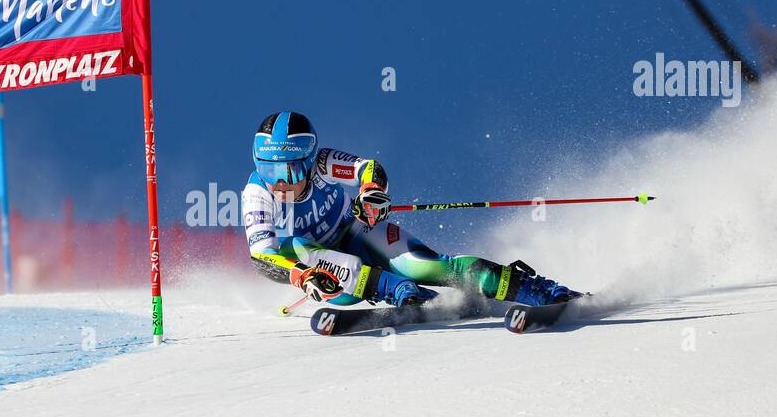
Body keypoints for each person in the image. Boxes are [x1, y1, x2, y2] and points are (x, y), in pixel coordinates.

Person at [243, 111, 582, 309]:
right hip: (330, 276)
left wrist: (371, 194)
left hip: (359, 230)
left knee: (424, 266)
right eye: (271, 170)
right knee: (298, 249)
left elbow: (367, 168)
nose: (281, 182)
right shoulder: (257, 193)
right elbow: (262, 256)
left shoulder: (322, 162)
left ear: (307, 161)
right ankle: (400, 292)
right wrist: (300, 276)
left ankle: (537, 290)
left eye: (291, 170)